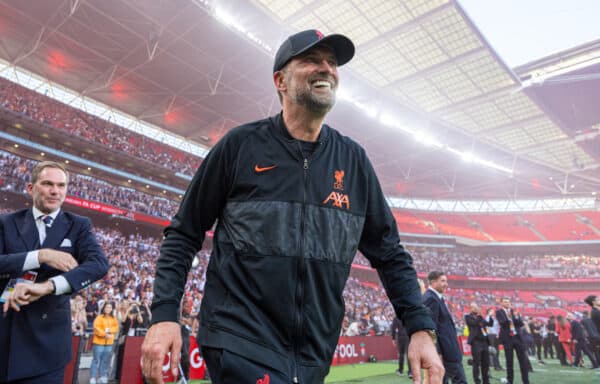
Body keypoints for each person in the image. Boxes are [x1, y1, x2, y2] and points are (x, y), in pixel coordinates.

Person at [141, 29, 444, 384]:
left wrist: (421, 327)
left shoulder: (353, 161)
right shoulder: (240, 146)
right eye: (312, 60)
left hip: (315, 353)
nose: (326, 69)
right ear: (280, 81)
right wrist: (164, 315)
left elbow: (390, 254)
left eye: (332, 63)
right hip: (239, 341)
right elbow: (184, 233)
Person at [0, 161, 108, 383]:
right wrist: (41, 255)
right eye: (48, 184)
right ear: (31, 188)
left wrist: (48, 286)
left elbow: (98, 264)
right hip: (4, 336)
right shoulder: (7, 222)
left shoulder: (78, 225)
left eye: (61, 185)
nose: (55, 191)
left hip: (47, 348)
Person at [423, 271, 467, 384]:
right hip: (446, 352)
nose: (446, 284)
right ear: (433, 282)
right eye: (443, 281)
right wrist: (436, 352)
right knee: (459, 381)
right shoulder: (431, 299)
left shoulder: (437, 298)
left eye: (446, 281)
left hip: (449, 351)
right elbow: (430, 328)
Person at [496, 297, 529, 384]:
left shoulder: (514, 311)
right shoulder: (499, 312)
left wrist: (517, 316)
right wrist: (510, 318)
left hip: (518, 338)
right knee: (509, 361)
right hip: (508, 339)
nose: (506, 303)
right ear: (502, 303)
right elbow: (503, 322)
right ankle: (510, 381)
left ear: (510, 303)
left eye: (508, 302)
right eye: (505, 302)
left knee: (523, 360)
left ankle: (526, 381)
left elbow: (521, 324)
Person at [464, 303, 494, 384]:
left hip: (484, 342)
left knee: (486, 363)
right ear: (471, 308)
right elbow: (473, 323)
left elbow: (490, 324)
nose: (477, 308)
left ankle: (486, 381)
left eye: (477, 307)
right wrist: (479, 316)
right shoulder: (468, 316)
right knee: (476, 363)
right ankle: (477, 381)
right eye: (475, 307)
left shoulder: (480, 317)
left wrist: (490, 317)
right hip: (476, 342)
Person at [90, 302, 119, 384]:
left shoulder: (114, 318)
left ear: (112, 309)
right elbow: (96, 328)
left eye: (110, 307)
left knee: (105, 360)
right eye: (107, 307)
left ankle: (102, 377)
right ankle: (92, 378)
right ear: (104, 308)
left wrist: (109, 331)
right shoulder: (99, 318)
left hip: (109, 342)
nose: (108, 309)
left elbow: (116, 328)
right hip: (98, 342)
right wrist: (104, 334)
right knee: (96, 360)